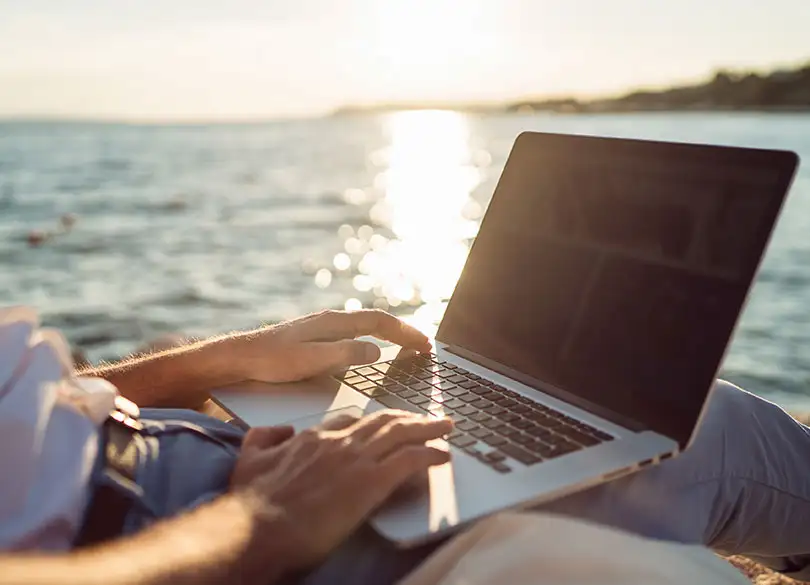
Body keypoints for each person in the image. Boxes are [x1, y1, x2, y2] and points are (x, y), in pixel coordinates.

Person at [1, 305, 810, 585]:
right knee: (667, 521)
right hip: (181, 549)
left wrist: (223, 361)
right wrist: (255, 527)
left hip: (188, 465)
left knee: (690, 421)